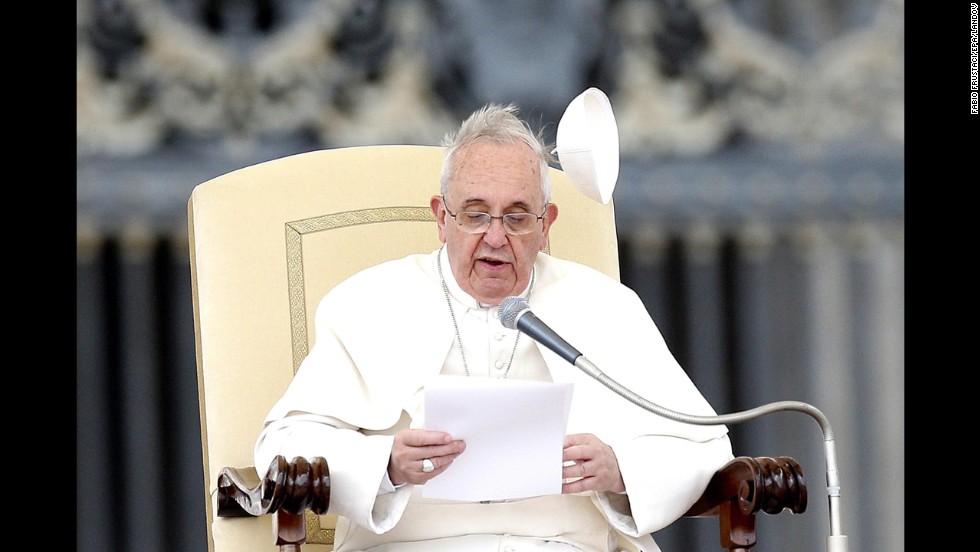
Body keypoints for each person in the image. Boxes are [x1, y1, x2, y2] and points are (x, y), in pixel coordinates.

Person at [254, 103, 734, 552]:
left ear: (547, 225)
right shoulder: (367, 302)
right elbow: (282, 447)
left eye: (518, 217)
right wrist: (385, 464)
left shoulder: (606, 307)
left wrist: (621, 470)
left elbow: (704, 447)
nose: (496, 237)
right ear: (442, 218)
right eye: (476, 214)